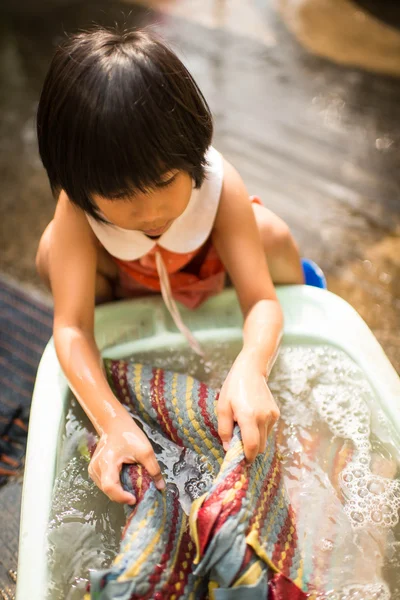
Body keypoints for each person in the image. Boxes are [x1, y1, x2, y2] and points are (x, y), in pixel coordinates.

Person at [35, 26, 304, 506]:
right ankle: (121, 310)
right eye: (120, 197)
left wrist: (251, 365)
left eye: (164, 181)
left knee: (273, 235)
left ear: (193, 149)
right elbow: (72, 328)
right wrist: (113, 421)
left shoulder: (219, 188)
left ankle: (309, 294)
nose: (151, 212)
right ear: (77, 185)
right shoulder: (76, 206)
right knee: (50, 253)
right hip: (130, 283)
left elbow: (262, 299)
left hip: (210, 272)